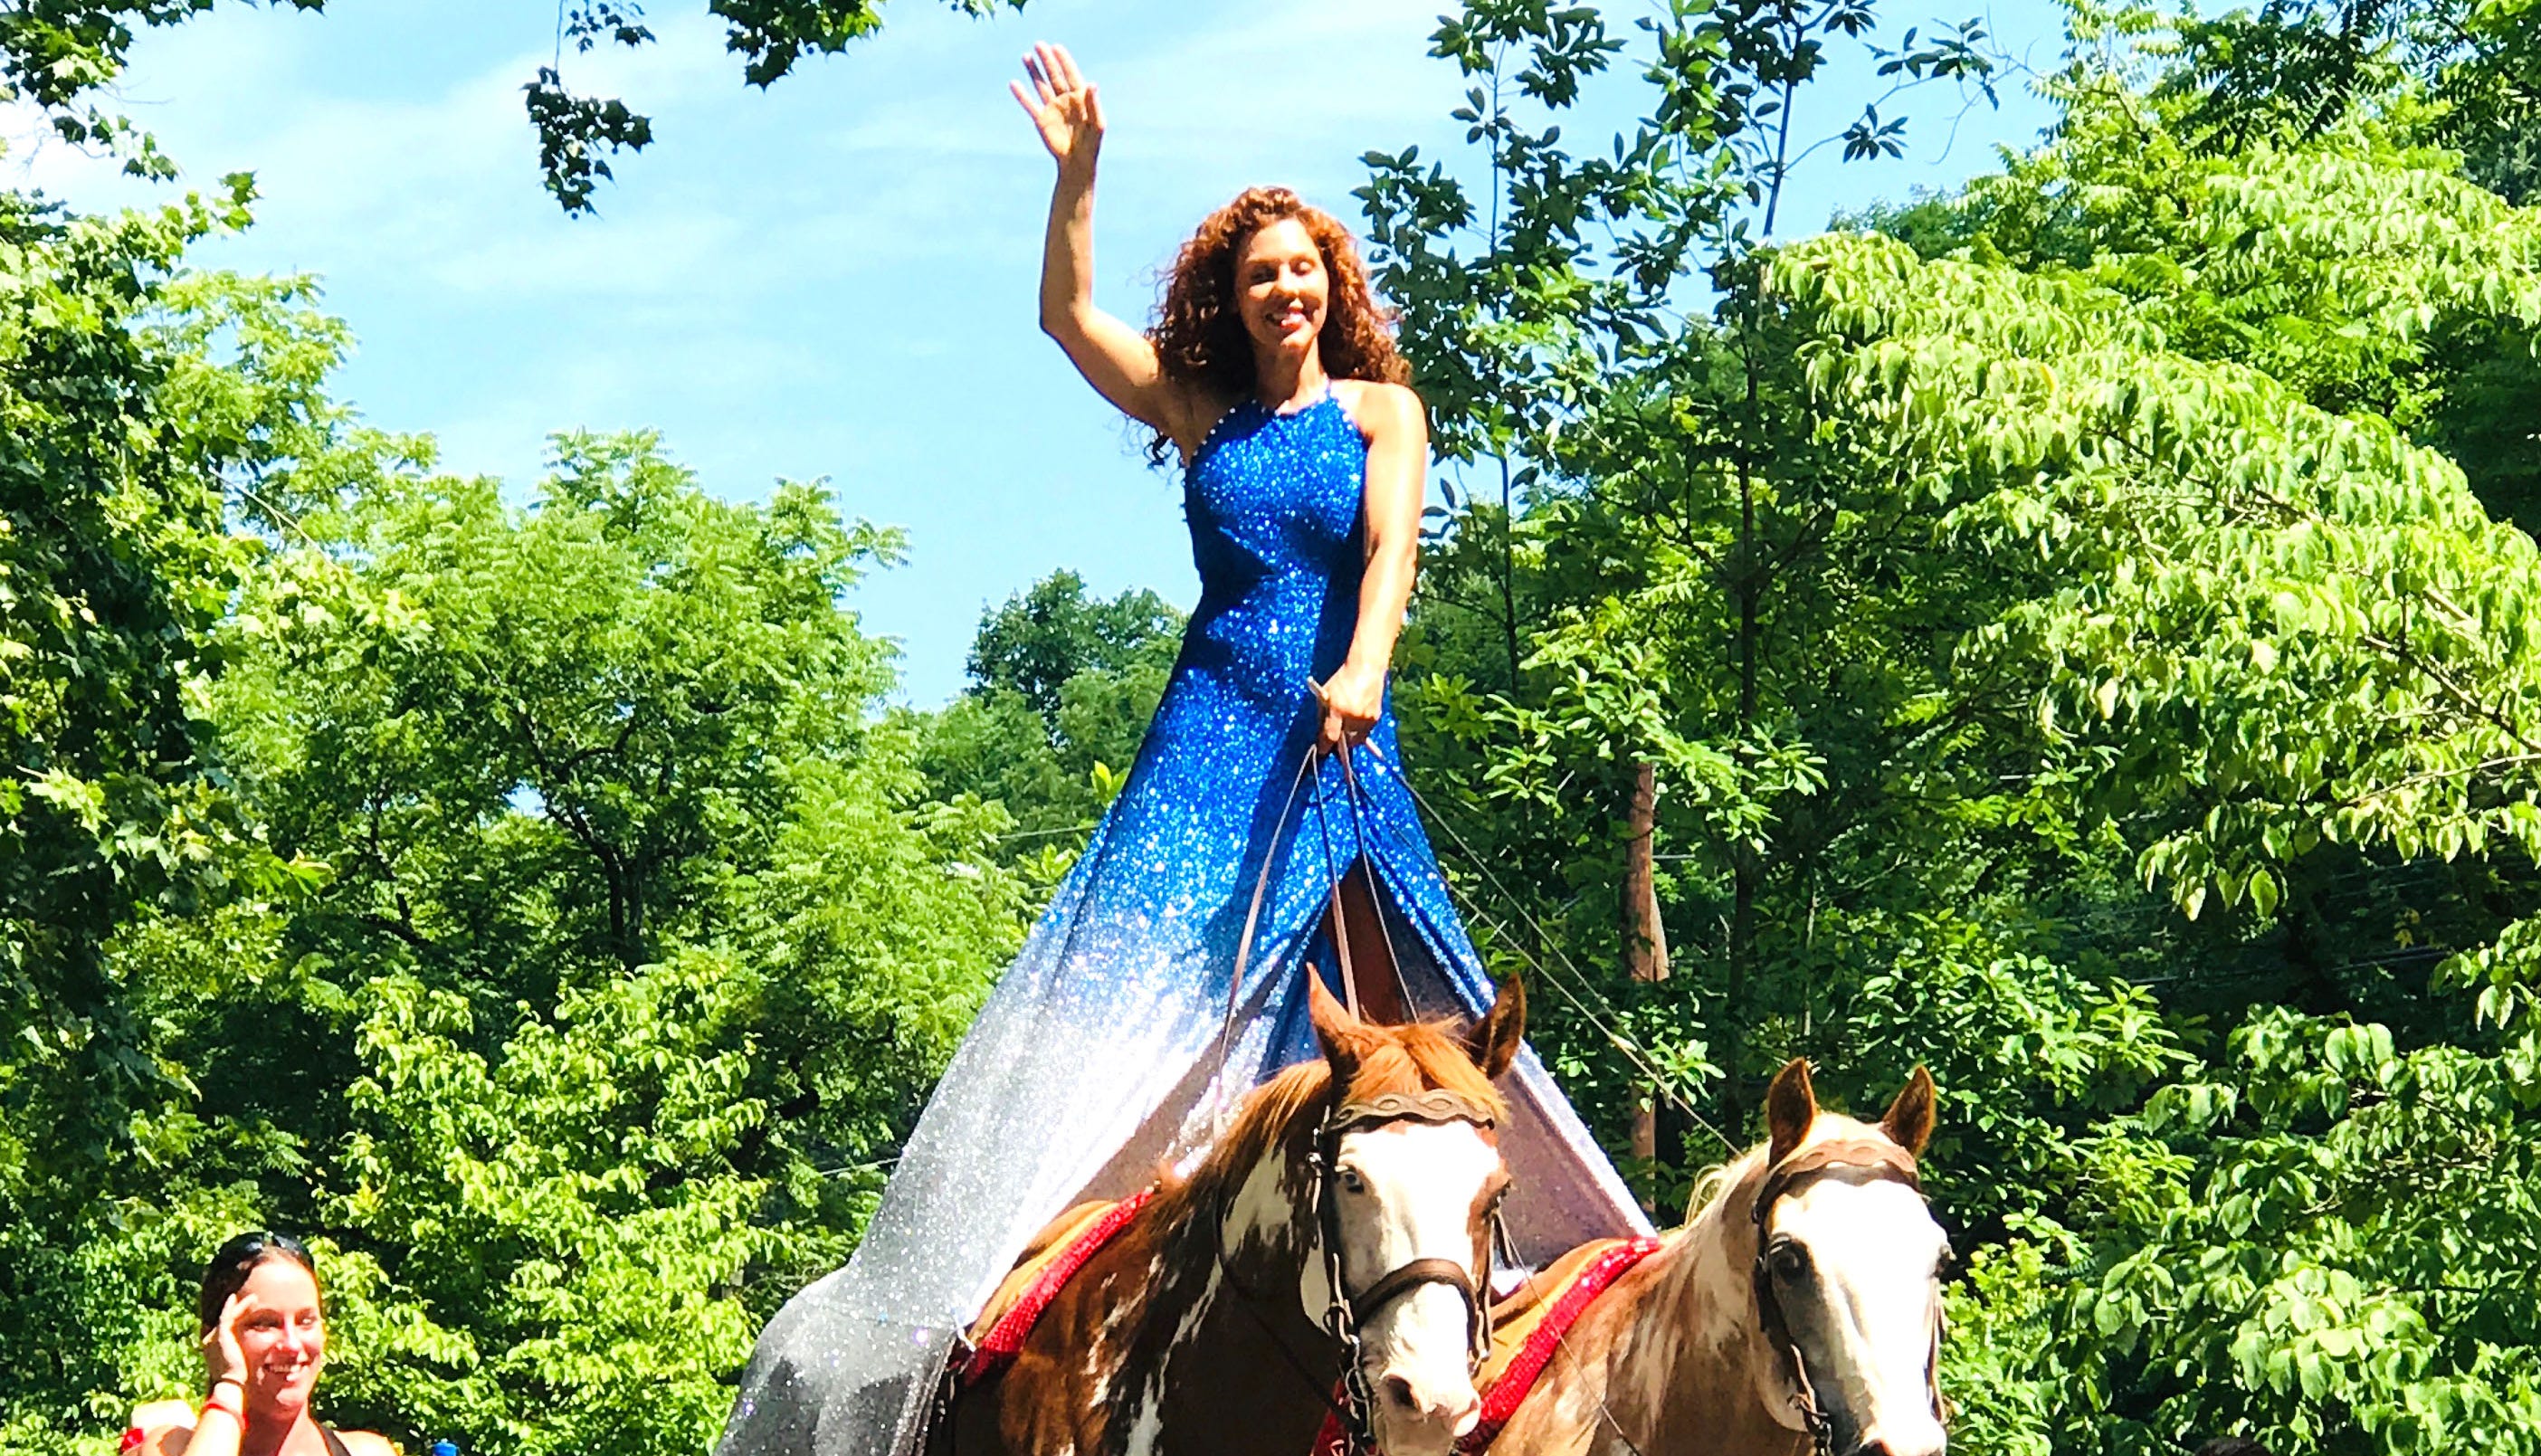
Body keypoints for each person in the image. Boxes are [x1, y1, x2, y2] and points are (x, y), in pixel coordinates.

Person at [716, 43, 1646, 1456]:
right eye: (1263, 272)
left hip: (1335, 734)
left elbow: (1391, 549)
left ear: (1336, 288)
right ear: (1235, 293)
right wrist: (1080, 177)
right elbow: (1065, 316)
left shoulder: (1381, 412)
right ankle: (1007, 1278)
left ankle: (1493, 1288)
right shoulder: (1201, 412)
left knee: (1413, 1006)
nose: (1288, 289)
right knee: (1141, 991)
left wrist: (1366, 665)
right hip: (1208, 738)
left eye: (1306, 269)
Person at [131, 1232, 397, 1456]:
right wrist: (229, 1382)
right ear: (215, 1337)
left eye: (306, 1321)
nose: (292, 1345)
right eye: (265, 1323)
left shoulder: (368, 1452)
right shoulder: (169, 1448)